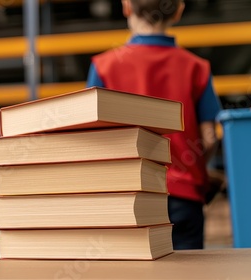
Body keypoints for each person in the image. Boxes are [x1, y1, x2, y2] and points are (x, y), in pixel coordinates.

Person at [86, 0, 222, 250]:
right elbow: (210, 138)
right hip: (183, 196)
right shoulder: (197, 68)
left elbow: (91, 138)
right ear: (179, 11)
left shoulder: (104, 66)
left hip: (124, 196)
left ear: (127, 7)